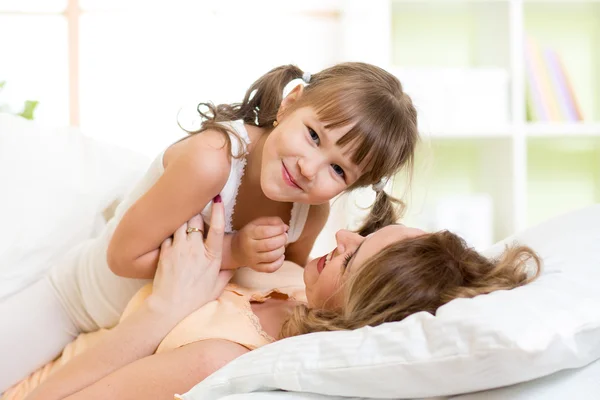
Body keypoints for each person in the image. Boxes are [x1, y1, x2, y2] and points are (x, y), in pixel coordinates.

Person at [0, 61, 420, 391]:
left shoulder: (312, 212)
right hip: (75, 304)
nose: (309, 169)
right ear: (290, 103)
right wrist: (236, 251)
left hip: (135, 337)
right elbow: (122, 257)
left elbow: (287, 279)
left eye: (338, 170)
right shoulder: (213, 160)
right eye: (313, 135)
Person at [5, 194, 541, 400]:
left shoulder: (224, 356)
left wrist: (162, 313)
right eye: (363, 232)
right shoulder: (288, 282)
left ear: (365, 308)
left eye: (354, 257)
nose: (344, 239)